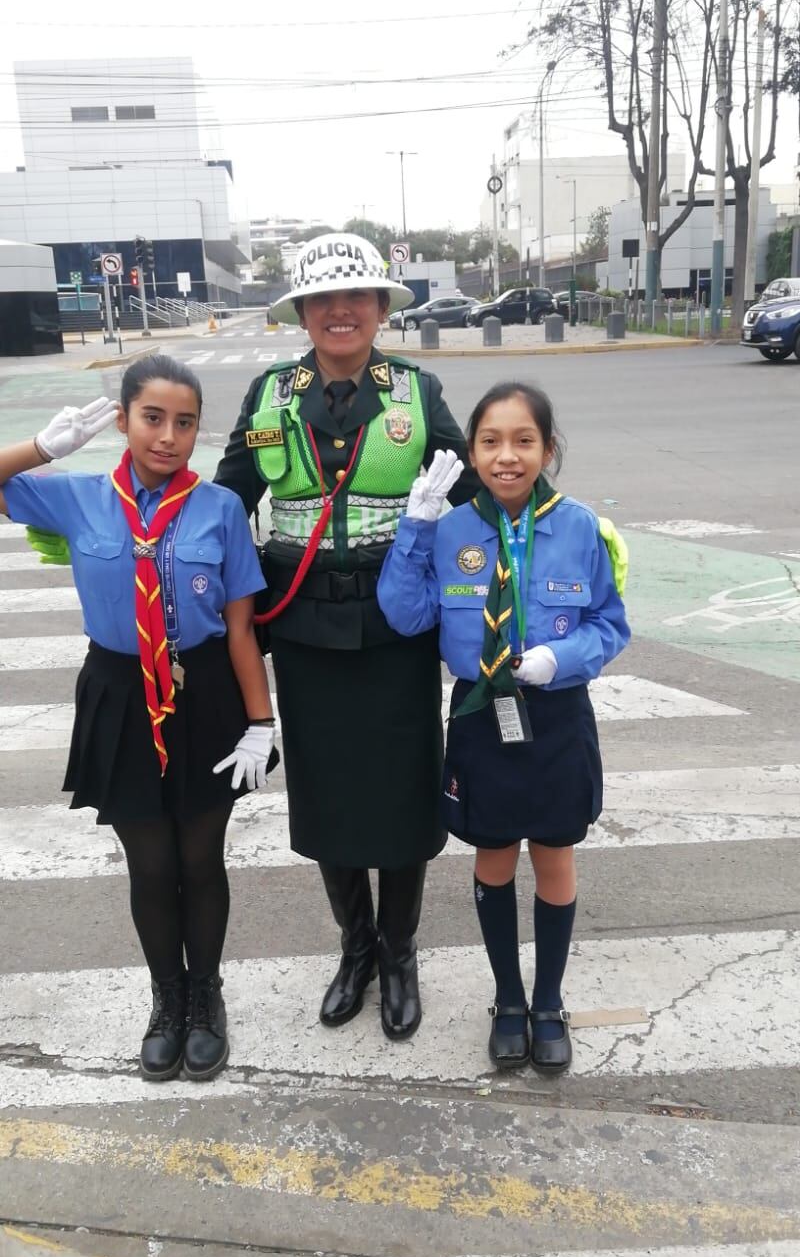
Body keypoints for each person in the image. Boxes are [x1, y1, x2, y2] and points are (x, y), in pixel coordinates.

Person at [214, 232, 477, 1040]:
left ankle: (400, 954)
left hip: (397, 626)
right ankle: (355, 949)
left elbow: (475, 494)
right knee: (327, 798)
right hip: (302, 629)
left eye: (356, 298)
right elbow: (225, 503)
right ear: (301, 313)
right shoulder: (270, 396)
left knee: (401, 795)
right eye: (323, 301)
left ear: (378, 309)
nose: (340, 312)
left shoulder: (415, 391)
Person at [0, 356, 278, 1082]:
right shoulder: (81, 498)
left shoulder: (219, 509)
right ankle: (167, 997)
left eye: (185, 423)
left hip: (206, 690)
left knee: (199, 857)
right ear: (123, 420)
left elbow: (242, 628)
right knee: (150, 862)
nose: (168, 436)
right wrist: (40, 449)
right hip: (121, 693)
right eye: (152, 418)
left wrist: (261, 723)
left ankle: (206, 998)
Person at [377, 383, 630, 1073]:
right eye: (490, 441)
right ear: (472, 451)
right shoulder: (451, 526)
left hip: (557, 715)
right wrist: (414, 528)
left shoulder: (581, 527)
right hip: (481, 717)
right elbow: (405, 615)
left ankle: (548, 1001)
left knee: (554, 857)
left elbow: (611, 624)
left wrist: (564, 656)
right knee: (493, 857)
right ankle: (509, 998)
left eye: (524, 441)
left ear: (549, 449)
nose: (507, 456)